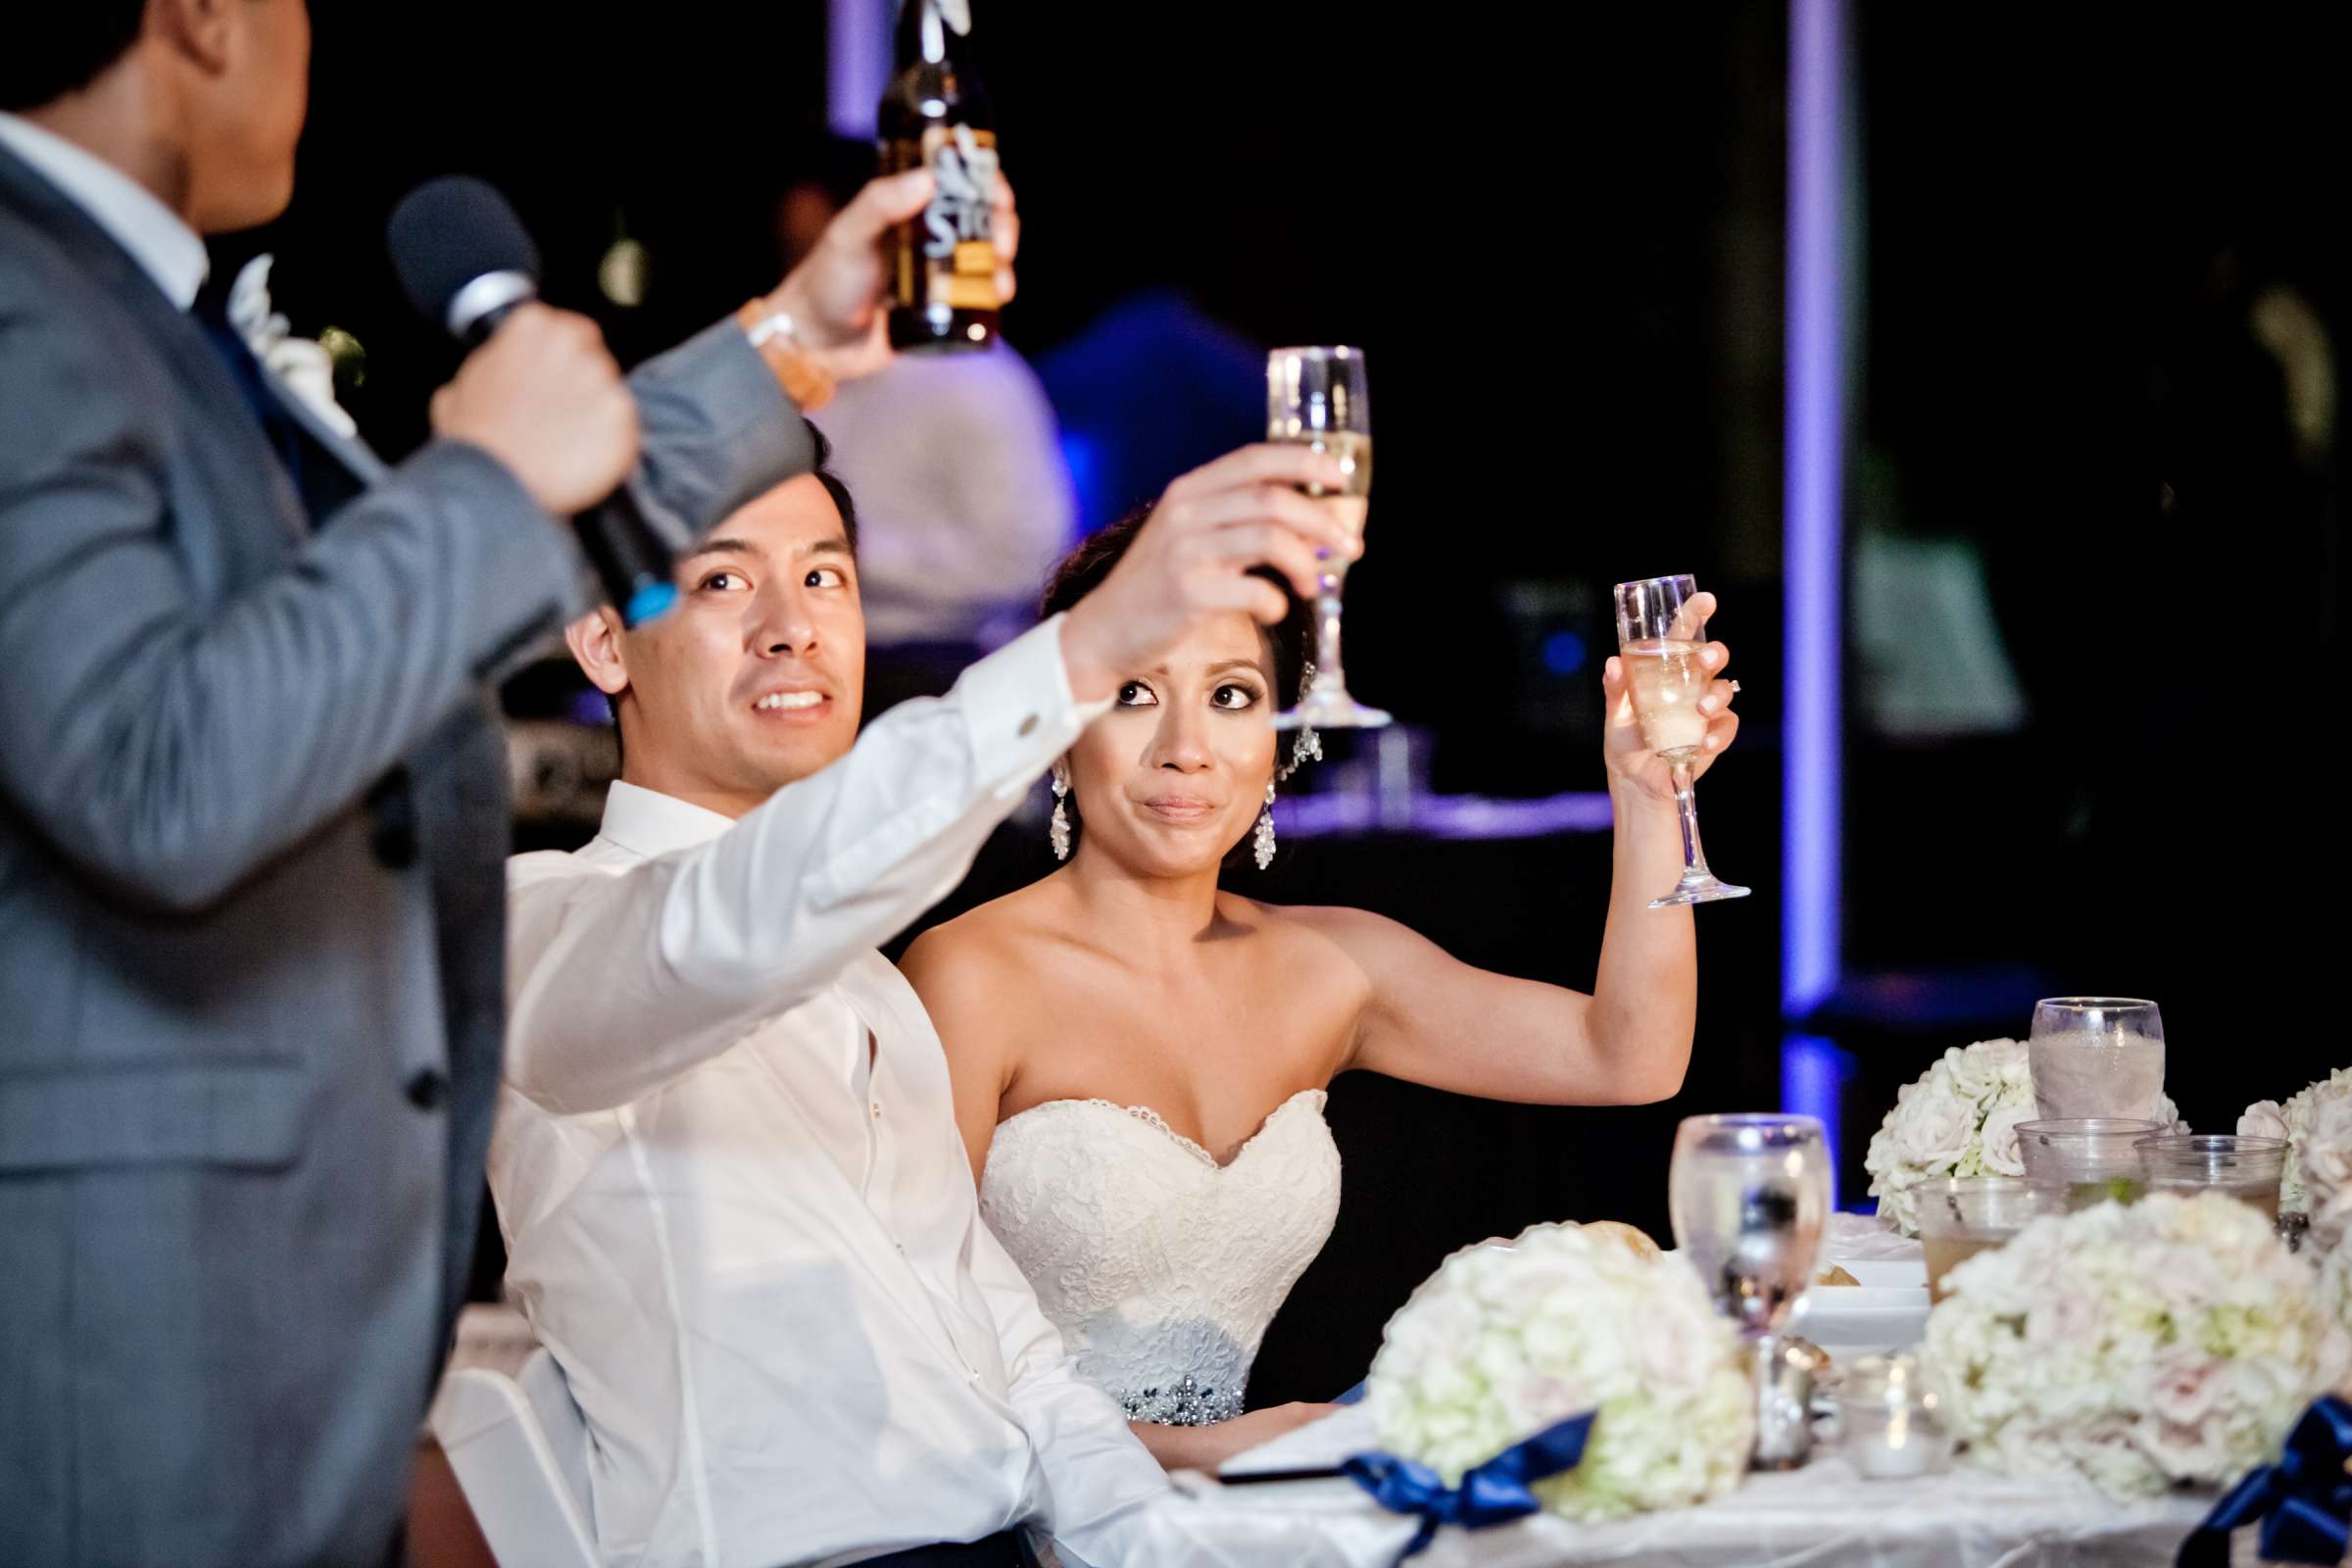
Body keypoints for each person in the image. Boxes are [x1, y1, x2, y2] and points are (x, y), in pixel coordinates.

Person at [0, 5, 932, 1562]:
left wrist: (791, 347)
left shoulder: (142, 313)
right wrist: (487, 484)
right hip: (133, 1284)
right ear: (203, 21)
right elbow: (150, 773)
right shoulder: (27, 305)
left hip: (280, 1281)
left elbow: (428, 603)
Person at [493, 447, 1367, 1566]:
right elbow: (724, 927)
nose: (792, 626)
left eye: (825, 579)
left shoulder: (868, 983)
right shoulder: (544, 927)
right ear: (605, 638)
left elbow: (1011, 1356)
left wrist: (1202, 1527)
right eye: (723, 581)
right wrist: (1079, 657)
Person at [899, 513, 1741, 1471]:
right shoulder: (971, 976)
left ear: (1277, 741)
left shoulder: (1332, 966)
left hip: (1249, 1495)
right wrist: (1198, 1452)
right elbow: (907, 1363)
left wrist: (1643, 792)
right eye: (1134, 692)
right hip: (1033, 1512)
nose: (1186, 747)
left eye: (1230, 694)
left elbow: (1628, 1056)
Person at [783, 136, 1079, 711]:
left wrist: (840, 556)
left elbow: (1025, 556)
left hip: (946, 674)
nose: (803, 277)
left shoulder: (972, 375)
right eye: (794, 255)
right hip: (821, 659)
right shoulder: (800, 371)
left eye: (816, 252)